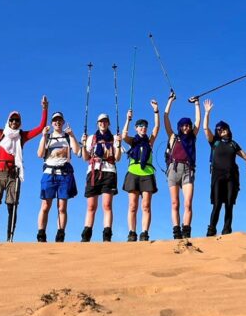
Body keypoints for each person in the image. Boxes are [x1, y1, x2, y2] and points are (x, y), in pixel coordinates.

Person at [0, 90, 48, 242]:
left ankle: (9, 238)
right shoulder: (0, 134)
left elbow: (41, 127)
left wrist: (44, 109)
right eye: (12, 120)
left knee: (12, 206)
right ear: (8, 121)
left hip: (14, 174)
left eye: (17, 120)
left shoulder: (22, 136)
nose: (14, 122)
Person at [203, 99, 246, 236]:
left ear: (228, 130)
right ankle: (211, 230)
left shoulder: (233, 144)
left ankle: (227, 230)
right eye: (219, 129)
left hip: (232, 176)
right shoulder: (214, 142)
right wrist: (207, 113)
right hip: (217, 176)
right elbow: (205, 129)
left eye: (224, 128)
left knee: (229, 204)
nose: (221, 130)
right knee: (217, 204)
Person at [36, 111, 80, 242]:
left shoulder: (67, 137)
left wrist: (72, 135)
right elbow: (40, 154)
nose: (57, 122)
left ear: (63, 122)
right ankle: (41, 233)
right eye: (55, 120)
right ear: (52, 123)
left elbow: (77, 151)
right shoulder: (48, 137)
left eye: (60, 120)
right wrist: (43, 136)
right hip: (49, 174)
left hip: (64, 175)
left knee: (62, 207)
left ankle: (60, 234)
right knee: (45, 205)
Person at [121, 100, 160, 242]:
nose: (144, 128)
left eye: (145, 126)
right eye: (141, 126)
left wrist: (156, 111)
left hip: (147, 174)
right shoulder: (133, 141)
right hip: (133, 173)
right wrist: (128, 119)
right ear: (136, 128)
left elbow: (157, 127)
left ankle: (144, 233)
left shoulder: (149, 142)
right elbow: (124, 136)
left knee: (146, 206)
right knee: (132, 205)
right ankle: (132, 232)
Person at [163, 92, 201, 239]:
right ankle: (176, 231)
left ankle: (186, 230)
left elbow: (198, 120)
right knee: (175, 203)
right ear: (180, 127)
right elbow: (166, 117)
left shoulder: (192, 137)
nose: (186, 127)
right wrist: (170, 100)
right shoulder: (173, 137)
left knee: (188, 203)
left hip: (187, 170)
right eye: (183, 125)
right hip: (173, 169)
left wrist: (196, 104)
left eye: (188, 125)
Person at [80, 113, 122, 242]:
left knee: (107, 205)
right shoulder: (91, 138)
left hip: (109, 172)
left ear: (108, 123)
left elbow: (117, 158)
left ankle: (107, 235)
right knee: (91, 206)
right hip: (94, 171)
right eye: (100, 121)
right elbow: (85, 158)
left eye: (105, 121)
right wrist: (83, 145)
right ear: (98, 124)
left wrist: (119, 144)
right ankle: (86, 236)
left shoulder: (114, 138)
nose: (103, 123)